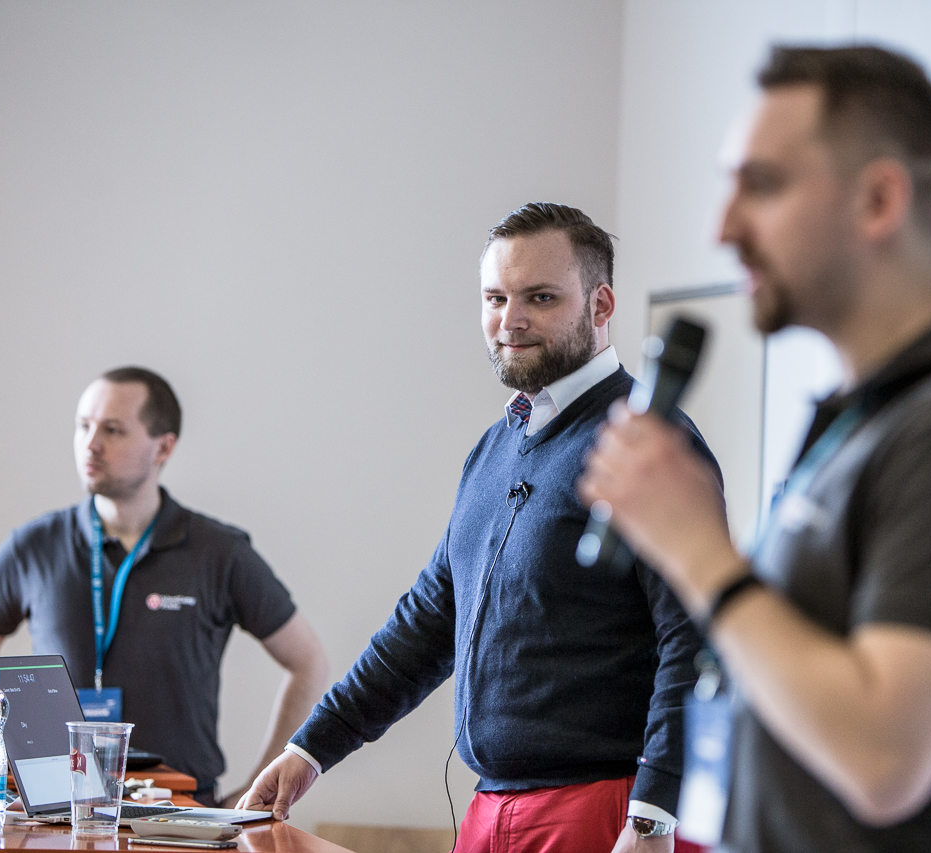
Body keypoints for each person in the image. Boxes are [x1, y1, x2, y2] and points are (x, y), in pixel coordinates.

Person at [580, 46, 931, 853]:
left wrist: (699, 553)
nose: (722, 227)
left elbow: (884, 758)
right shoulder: (871, 419)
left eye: (762, 185)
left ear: (879, 200)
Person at [240, 203, 720, 852]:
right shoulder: (495, 447)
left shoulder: (650, 444)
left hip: (606, 813)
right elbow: (427, 623)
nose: (510, 319)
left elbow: (692, 637)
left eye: (540, 297)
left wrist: (654, 812)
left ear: (600, 304)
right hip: (489, 811)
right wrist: (311, 748)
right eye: (495, 298)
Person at [0, 366, 330, 806]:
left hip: (181, 811)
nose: (91, 444)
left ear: (163, 447)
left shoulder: (219, 552)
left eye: (112, 430)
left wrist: (255, 790)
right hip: (61, 807)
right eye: (83, 426)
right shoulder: (35, 546)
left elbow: (309, 663)